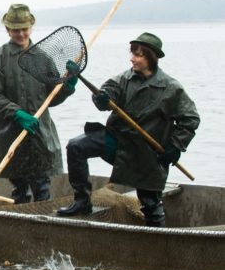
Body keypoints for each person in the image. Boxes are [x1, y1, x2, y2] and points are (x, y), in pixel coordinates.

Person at [56, 32, 200, 227]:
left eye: (139, 55)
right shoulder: (124, 78)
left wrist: (176, 146)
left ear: (152, 58)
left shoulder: (171, 88)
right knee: (76, 146)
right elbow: (107, 92)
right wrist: (102, 99)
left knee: (149, 202)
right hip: (118, 142)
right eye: (132, 53)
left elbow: (190, 119)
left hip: (147, 152)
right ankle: (82, 201)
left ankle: (158, 241)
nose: (132, 58)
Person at [0, 4, 77, 204]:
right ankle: (22, 225)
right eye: (16, 30)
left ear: (31, 27)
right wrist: (17, 113)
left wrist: (68, 86)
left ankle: (43, 227)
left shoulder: (42, 58)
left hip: (40, 133)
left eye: (24, 29)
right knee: (20, 189)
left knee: (42, 187)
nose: (21, 34)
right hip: (10, 134)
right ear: (8, 30)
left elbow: (53, 98)